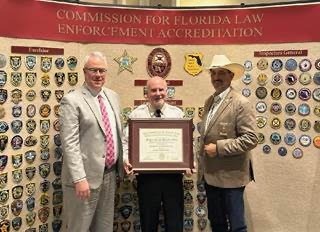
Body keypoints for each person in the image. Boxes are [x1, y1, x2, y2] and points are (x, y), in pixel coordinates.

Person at [60, 51, 123, 232]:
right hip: (84, 179)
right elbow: (69, 144)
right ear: (84, 72)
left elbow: (117, 134)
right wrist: (79, 178)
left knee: (104, 228)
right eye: (93, 70)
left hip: (109, 176)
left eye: (102, 70)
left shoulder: (113, 97)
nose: (98, 75)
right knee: (78, 227)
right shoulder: (72, 100)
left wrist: (123, 160)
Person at [197, 55, 258, 232]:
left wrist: (219, 148)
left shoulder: (241, 103)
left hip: (232, 177)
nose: (216, 77)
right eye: (213, 73)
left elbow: (251, 138)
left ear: (231, 76)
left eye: (221, 73)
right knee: (217, 224)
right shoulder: (210, 101)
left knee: (237, 226)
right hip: (211, 175)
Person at [122, 76, 192, 232]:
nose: (158, 93)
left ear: (167, 92)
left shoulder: (177, 115)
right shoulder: (136, 116)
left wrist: (189, 162)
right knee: (148, 223)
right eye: (153, 90)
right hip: (147, 178)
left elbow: (188, 143)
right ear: (146, 93)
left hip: (173, 178)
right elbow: (125, 143)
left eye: (161, 89)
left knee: (175, 224)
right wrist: (126, 160)